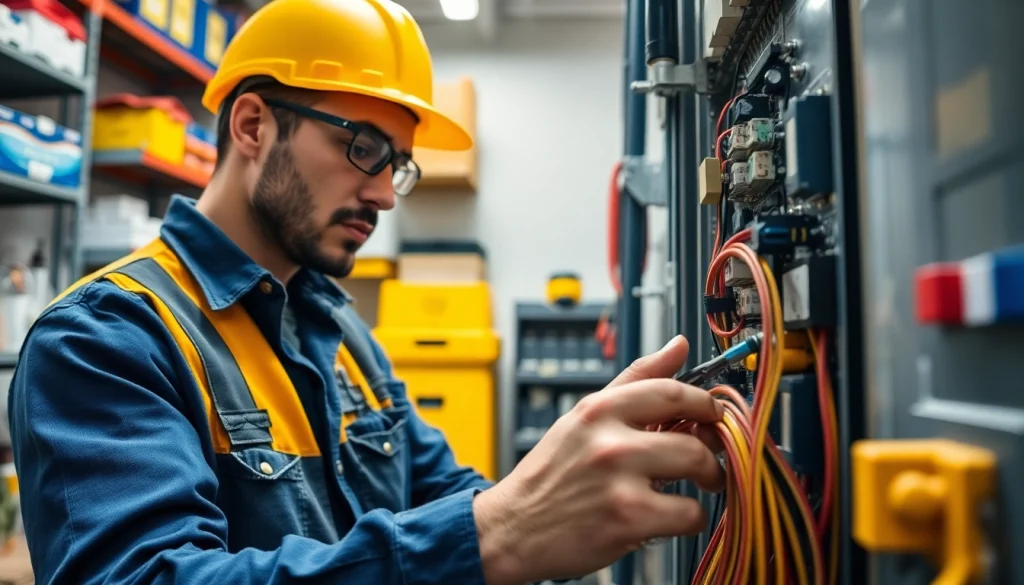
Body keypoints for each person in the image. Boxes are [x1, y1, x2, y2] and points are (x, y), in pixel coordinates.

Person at [7, 0, 726, 583]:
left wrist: (571, 489)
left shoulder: (335, 328)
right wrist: (496, 533)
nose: (384, 193)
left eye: (397, 165)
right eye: (363, 147)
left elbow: (444, 492)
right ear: (253, 124)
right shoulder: (107, 338)